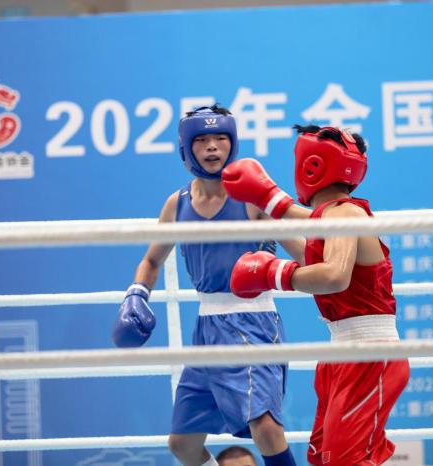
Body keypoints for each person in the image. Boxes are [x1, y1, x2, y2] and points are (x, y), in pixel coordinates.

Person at [111, 105, 298, 466]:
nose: (212, 146)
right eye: (202, 140)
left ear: (233, 143)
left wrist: (278, 269)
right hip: (206, 329)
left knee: (266, 428)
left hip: (253, 322)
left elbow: (304, 250)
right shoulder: (177, 204)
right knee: (182, 443)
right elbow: (152, 260)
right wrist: (137, 293)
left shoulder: (252, 200)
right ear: (187, 147)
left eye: (220, 138)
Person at [221, 125, 411, 466]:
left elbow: (333, 276)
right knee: (324, 458)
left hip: (370, 353)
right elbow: (313, 260)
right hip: (343, 350)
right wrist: (268, 206)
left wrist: (272, 273)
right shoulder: (335, 214)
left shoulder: (346, 213)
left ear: (311, 165)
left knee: (345, 460)